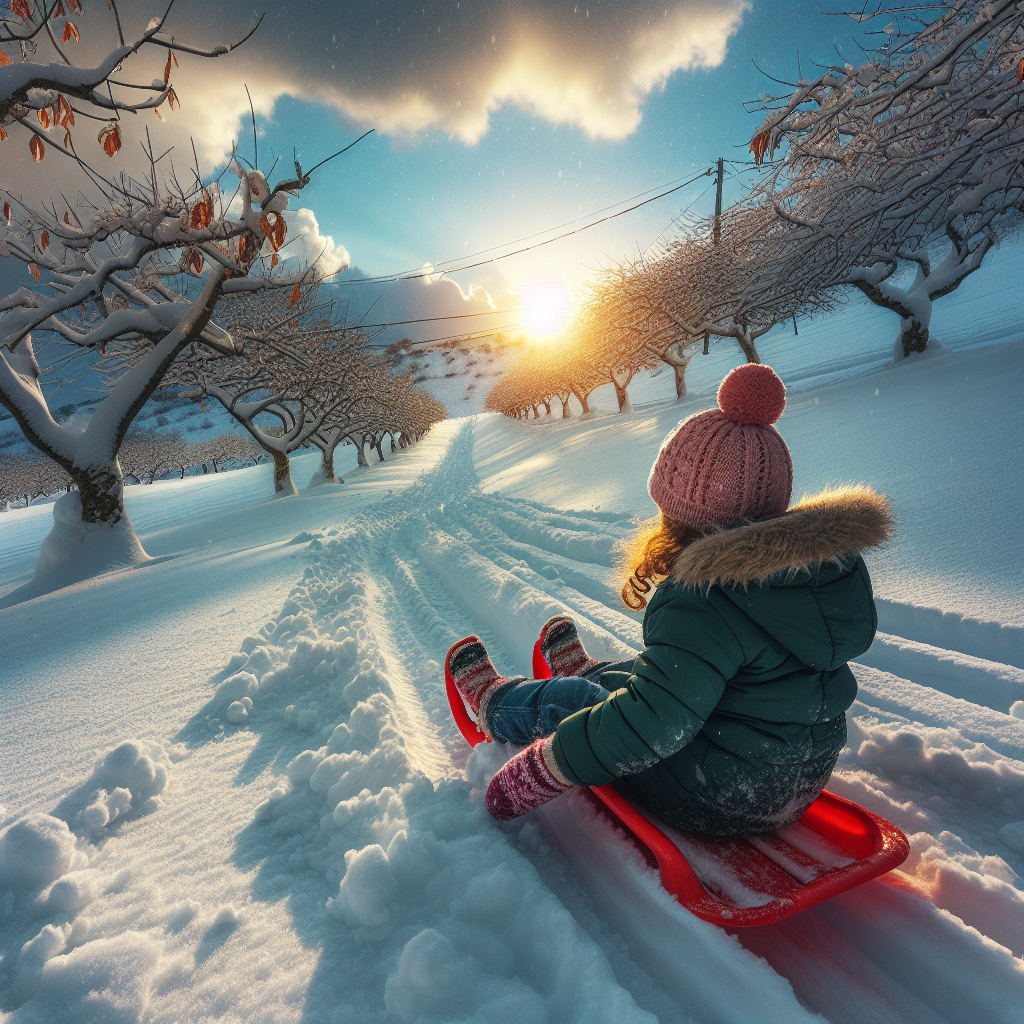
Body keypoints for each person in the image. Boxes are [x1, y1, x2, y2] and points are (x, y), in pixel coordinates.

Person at [446, 363, 893, 834]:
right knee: (653, 676)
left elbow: (653, 726)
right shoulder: (813, 577)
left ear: (681, 516)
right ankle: (594, 674)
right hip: (796, 781)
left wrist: (545, 769)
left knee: (584, 702)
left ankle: (495, 706)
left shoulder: (703, 599)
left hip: (712, 795)